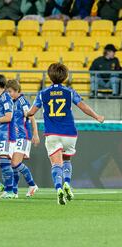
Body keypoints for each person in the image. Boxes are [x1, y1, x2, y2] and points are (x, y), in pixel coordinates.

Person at [27, 63, 104, 205]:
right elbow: (83, 106)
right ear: (65, 76)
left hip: (52, 134)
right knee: (67, 160)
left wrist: (26, 114)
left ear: (49, 76)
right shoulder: (70, 92)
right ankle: (67, 183)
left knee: (56, 164)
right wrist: (97, 116)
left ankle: (58, 189)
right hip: (70, 134)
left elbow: (32, 112)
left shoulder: (42, 93)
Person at [6, 79, 39, 198]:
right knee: (12, 164)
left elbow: (32, 117)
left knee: (15, 163)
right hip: (13, 136)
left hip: (23, 136)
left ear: (16, 90)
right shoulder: (11, 101)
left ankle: (32, 184)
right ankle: (14, 191)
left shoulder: (22, 101)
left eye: (10, 91)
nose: (8, 94)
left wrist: (35, 134)